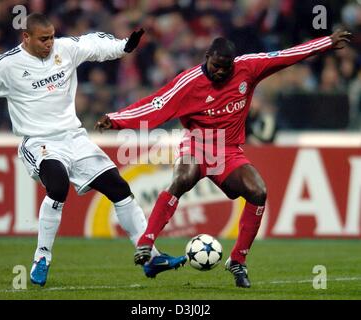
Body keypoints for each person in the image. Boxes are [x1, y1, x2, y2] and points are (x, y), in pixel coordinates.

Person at [95, 30, 351, 288]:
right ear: (207, 58)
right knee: (182, 179)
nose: (221, 72)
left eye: (226, 68)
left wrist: (326, 43)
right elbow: (156, 106)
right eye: (216, 66)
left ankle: (238, 260)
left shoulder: (248, 68)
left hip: (228, 151)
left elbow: (286, 56)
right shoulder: (189, 82)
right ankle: (146, 243)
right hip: (196, 145)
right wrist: (116, 119)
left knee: (258, 191)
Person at [0, 13, 186, 287]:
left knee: (119, 188)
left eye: (52, 37)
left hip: (74, 138)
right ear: (26, 37)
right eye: (43, 39)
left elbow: (95, 45)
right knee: (57, 185)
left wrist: (124, 47)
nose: (50, 44)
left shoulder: (64, 50)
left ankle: (150, 257)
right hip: (38, 141)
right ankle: (42, 257)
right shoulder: (6, 66)